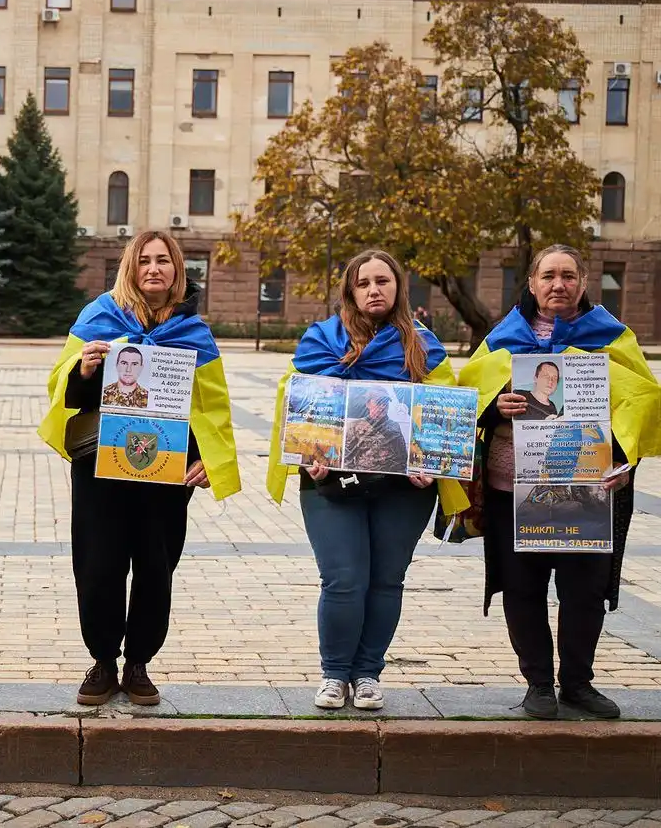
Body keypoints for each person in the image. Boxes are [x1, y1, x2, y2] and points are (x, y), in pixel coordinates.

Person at [458, 244, 660, 720]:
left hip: (588, 490)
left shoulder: (611, 337)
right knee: (521, 587)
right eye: (548, 275)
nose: (558, 284)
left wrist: (621, 457)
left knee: (584, 591)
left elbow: (641, 402)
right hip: (512, 488)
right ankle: (538, 684)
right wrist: (496, 407)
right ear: (531, 283)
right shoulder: (503, 338)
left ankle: (577, 684)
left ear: (583, 283)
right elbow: (468, 396)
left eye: (568, 275)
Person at [39, 230, 240, 707]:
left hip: (166, 470)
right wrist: (84, 369)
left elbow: (212, 406)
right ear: (130, 268)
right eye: (144, 260)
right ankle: (103, 660)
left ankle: (139, 663)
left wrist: (207, 459)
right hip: (100, 466)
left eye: (163, 260)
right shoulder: (99, 317)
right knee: (98, 565)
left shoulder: (194, 332)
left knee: (156, 567)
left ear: (177, 270)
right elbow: (61, 383)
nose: (154, 268)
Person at [267, 250, 467, 712]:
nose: (374, 290)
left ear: (398, 287)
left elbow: (444, 409)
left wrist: (432, 462)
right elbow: (294, 399)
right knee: (343, 579)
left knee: (386, 580)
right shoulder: (321, 341)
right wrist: (307, 454)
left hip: (405, 488)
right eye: (364, 283)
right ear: (350, 291)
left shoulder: (424, 346)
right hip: (330, 483)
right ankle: (335, 674)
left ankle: (368, 674)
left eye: (383, 281)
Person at [342, 387, 409, 474]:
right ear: (368, 404)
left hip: (388, 477)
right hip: (363, 476)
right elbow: (347, 459)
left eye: (385, 403)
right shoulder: (355, 426)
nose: (383, 406)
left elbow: (402, 458)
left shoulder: (394, 426)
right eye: (379, 402)